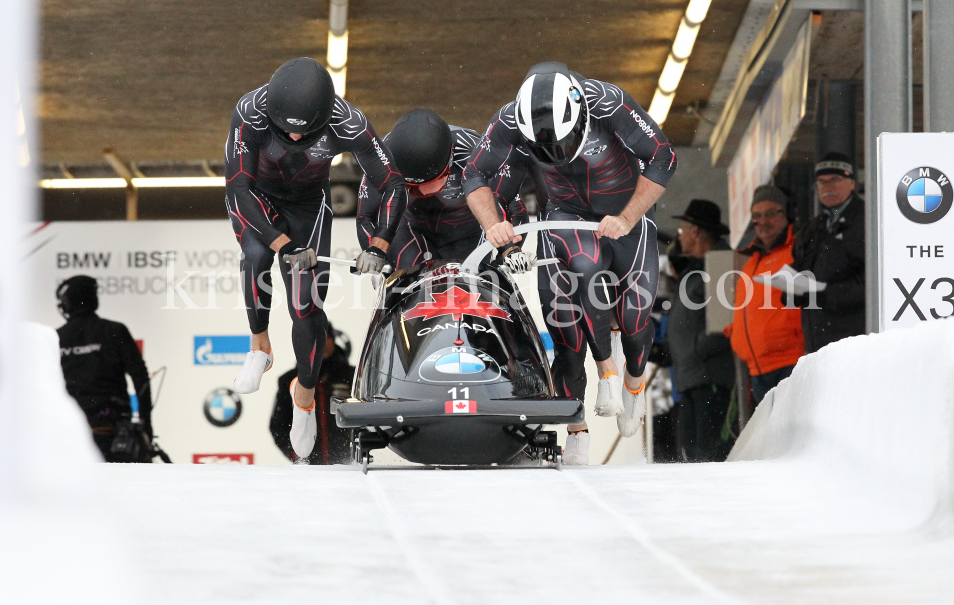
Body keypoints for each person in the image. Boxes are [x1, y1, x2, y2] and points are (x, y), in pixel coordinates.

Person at [463, 61, 677, 465]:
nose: (556, 155)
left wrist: (629, 216)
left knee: (634, 319)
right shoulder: (508, 120)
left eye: (562, 144)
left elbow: (663, 157)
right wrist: (494, 226)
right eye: (546, 150)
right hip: (564, 215)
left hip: (623, 216)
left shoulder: (608, 101)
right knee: (570, 322)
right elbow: (474, 174)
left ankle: (632, 380)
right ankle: (585, 410)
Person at [225, 57, 406, 460]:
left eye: (302, 131)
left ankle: (303, 397)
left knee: (307, 306)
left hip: (308, 206)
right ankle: (260, 346)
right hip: (257, 197)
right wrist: (282, 244)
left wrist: (379, 243)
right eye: (285, 127)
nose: (291, 134)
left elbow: (392, 183)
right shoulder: (250, 113)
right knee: (256, 255)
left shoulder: (350, 123)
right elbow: (238, 188)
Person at [357, 108, 528, 269]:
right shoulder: (382, 158)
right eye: (409, 187)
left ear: (450, 162)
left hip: (467, 233)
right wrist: (375, 252)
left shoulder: (473, 152)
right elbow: (366, 216)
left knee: (470, 289)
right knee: (406, 284)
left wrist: (509, 251)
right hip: (409, 229)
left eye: (428, 184)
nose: (421, 193)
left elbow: (515, 209)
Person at [55, 275, 153, 462]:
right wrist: (146, 424)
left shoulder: (55, 338)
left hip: (68, 435)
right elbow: (140, 378)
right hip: (114, 432)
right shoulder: (115, 331)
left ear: (66, 304)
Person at [666, 200, 734, 462]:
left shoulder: (720, 263)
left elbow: (722, 325)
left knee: (708, 459)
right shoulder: (697, 267)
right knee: (693, 458)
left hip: (710, 382)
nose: (679, 237)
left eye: (683, 230)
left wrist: (691, 353)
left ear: (696, 232)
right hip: (693, 380)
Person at [727, 186, 805, 404]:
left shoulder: (797, 251)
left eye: (771, 213)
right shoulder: (751, 262)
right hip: (757, 370)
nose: (763, 221)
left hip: (790, 364)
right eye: (757, 216)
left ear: (787, 214)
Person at [790, 152, 865, 353]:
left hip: (855, 341)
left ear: (852, 183)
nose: (828, 187)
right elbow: (799, 272)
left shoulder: (868, 221)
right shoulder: (811, 228)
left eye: (835, 180)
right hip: (817, 343)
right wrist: (791, 289)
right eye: (822, 182)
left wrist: (825, 294)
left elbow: (873, 282)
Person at [270, 326, 355, 464]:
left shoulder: (353, 376)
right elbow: (278, 425)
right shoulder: (290, 380)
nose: (324, 343)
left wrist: (356, 454)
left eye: (328, 337)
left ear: (334, 340)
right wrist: (296, 455)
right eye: (317, 339)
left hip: (348, 465)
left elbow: (364, 421)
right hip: (309, 468)